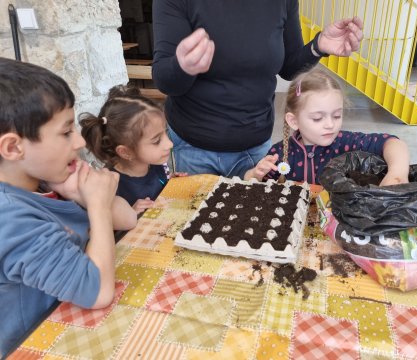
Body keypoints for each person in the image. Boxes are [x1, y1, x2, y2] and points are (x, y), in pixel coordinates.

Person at [0, 57, 136, 357]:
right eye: (65, 132)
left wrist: (84, 197)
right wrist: (97, 207)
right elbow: (98, 292)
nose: (80, 142)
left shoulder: (44, 180)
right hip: (38, 345)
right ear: (13, 147)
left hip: (74, 323)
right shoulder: (8, 217)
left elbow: (129, 220)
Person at [152, 0, 363, 178]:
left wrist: (318, 47)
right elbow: (166, 81)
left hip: (256, 148)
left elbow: (289, 67)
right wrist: (182, 67)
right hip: (194, 150)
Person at [244, 65, 410, 186]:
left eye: (337, 115)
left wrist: (397, 173)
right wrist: (255, 174)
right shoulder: (279, 153)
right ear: (294, 121)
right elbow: (252, 182)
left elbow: (393, 143)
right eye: (317, 118)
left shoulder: (346, 143)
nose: (330, 124)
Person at [80, 85, 176, 214]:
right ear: (126, 152)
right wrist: (130, 213)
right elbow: (106, 225)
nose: (169, 144)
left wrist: (171, 183)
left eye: (166, 133)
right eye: (157, 141)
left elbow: (159, 186)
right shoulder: (111, 186)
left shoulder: (155, 162)